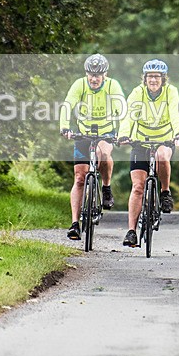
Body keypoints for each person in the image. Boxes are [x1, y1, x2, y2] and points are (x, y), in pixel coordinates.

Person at [118, 59, 179, 247]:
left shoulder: (170, 92)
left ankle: (165, 192)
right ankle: (131, 231)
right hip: (141, 141)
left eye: (157, 77)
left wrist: (178, 134)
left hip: (165, 139)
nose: (153, 80)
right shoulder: (137, 93)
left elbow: (175, 114)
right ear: (145, 78)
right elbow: (129, 115)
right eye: (150, 77)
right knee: (138, 187)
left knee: (162, 157)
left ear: (163, 79)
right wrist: (124, 134)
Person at [60, 54, 125, 240]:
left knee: (102, 153)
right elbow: (67, 105)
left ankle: (106, 187)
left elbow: (122, 109)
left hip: (106, 132)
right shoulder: (79, 84)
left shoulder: (113, 86)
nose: (94, 79)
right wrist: (64, 127)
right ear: (86, 73)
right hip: (83, 133)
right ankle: (74, 224)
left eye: (98, 75)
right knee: (80, 178)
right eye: (91, 74)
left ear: (105, 74)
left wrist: (123, 132)